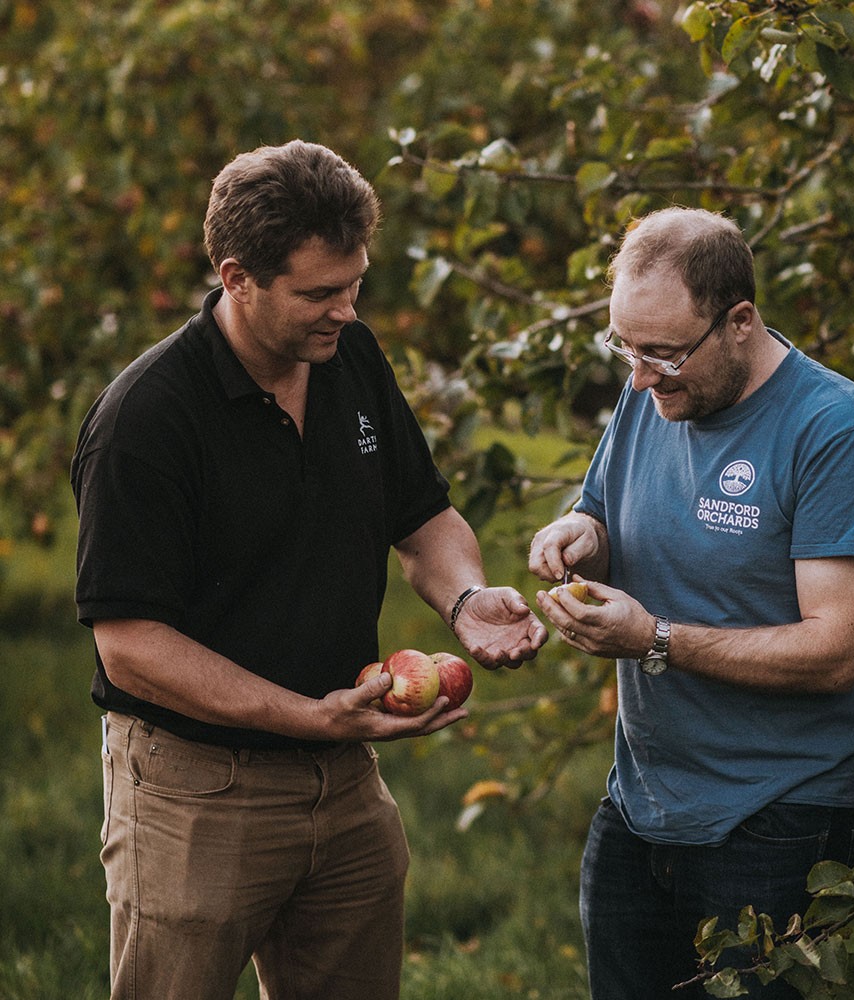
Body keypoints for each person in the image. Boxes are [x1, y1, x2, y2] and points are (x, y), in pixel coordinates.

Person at [72, 139, 547, 1000]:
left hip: (343, 770)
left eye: (356, 284)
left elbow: (424, 516)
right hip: (198, 787)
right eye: (319, 293)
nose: (345, 310)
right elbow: (129, 642)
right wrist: (305, 715)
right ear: (237, 276)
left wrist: (467, 600)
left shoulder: (349, 358)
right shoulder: (147, 421)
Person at [529, 207, 854, 998]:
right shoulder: (654, 389)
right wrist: (576, 533)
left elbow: (836, 650)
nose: (637, 377)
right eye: (624, 348)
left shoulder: (835, 432)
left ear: (740, 321)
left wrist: (656, 639)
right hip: (642, 799)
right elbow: (603, 506)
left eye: (663, 353)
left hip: (777, 819)